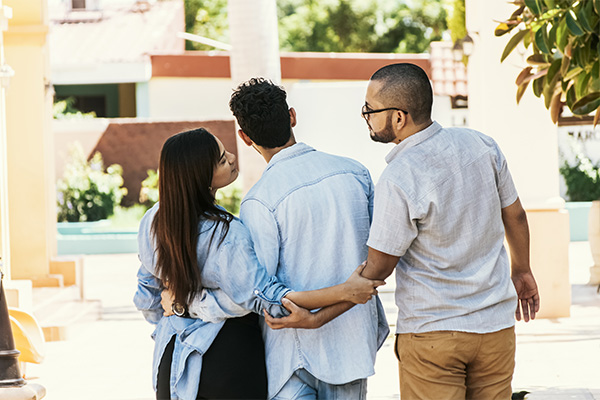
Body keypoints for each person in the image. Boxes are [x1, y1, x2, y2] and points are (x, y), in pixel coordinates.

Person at [170, 78, 389, 400]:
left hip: (290, 356)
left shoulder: (260, 200)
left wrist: (188, 303)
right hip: (350, 343)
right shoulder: (354, 173)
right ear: (292, 116)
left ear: (245, 138)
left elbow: (255, 290)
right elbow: (376, 262)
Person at [356, 63, 540, 399]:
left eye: (369, 110)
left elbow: (379, 268)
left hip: (433, 335)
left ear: (399, 117)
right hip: (495, 326)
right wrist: (523, 269)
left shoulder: (399, 177)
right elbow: (516, 216)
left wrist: (330, 297)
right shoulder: (481, 145)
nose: (365, 116)